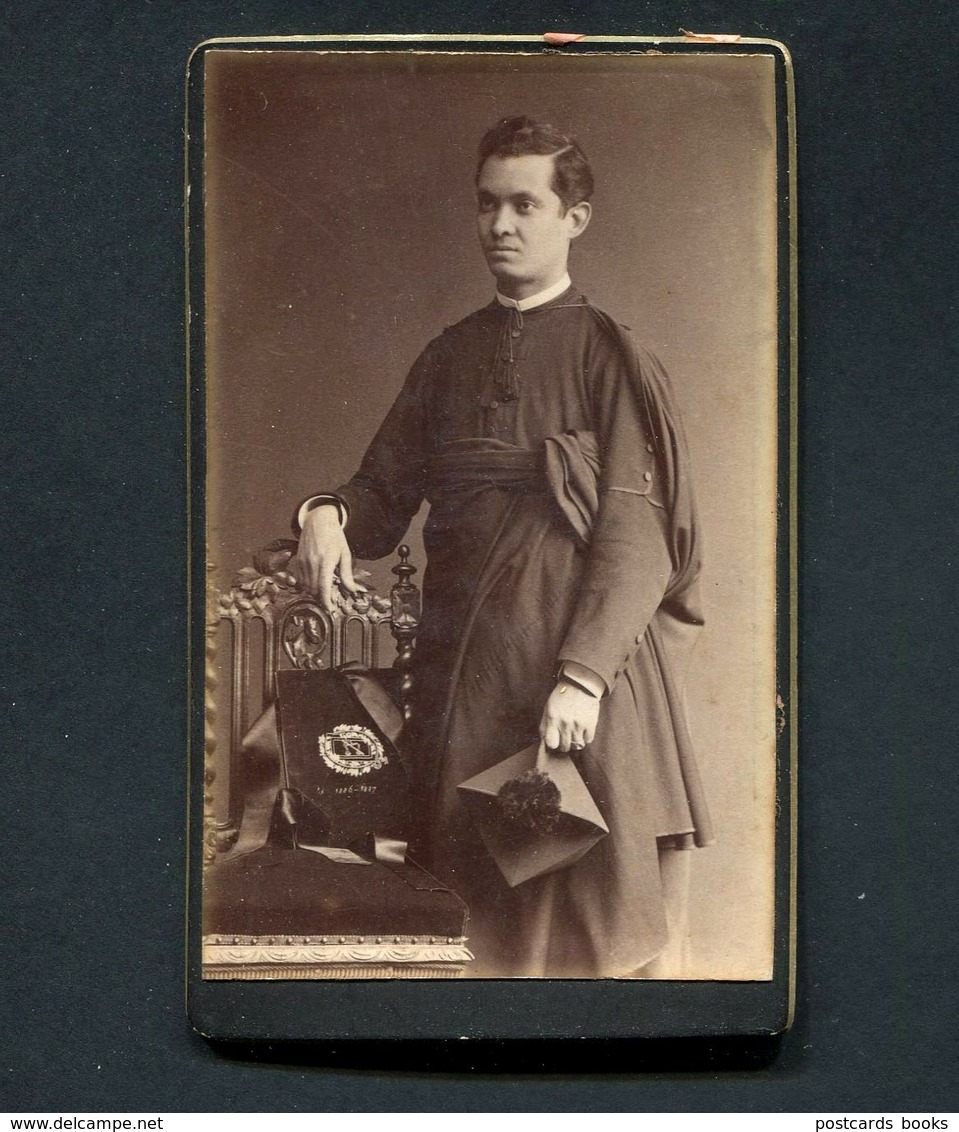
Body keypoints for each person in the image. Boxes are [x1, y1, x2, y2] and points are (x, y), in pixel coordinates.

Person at [294, 116, 713, 977]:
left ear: (574, 218)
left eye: (525, 204)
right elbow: (378, 497)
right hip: (466, 681)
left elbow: (638, 535)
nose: (500, 225)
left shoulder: (609, 355)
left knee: (588, 938)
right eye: (487, 205)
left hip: (575, 677)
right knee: (471, 933)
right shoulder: (446, 357)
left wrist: (585, 674)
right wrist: (324, 512)